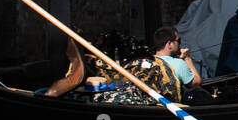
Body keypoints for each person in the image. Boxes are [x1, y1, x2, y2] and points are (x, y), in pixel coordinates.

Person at [46, 26, 202, 101]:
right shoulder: (179, 63)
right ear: (169, 44)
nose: (180, 44)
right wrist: (187, 59)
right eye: (178, 41)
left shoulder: (144, 60)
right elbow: (196, 83)